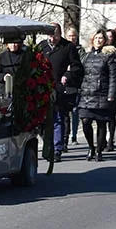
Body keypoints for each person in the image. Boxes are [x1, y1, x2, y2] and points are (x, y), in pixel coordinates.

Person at [40, 23, 83, 162]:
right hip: (41, 88)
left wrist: (68, 75)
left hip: (58, 88)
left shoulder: (68, 47)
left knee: (58, 118)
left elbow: (77, 67)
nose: (53, 38)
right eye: (50, 35)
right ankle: (47, 145)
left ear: (60, 33)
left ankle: (57, 149)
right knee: (42, 120)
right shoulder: (41, 47)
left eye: (56, 35)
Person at [78, 30, 116, 161]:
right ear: (92, 39)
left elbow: (113, 76)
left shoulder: (109, 56)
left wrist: (111, 94)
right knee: (85, 121)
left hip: (102, 93)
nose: (99, 40)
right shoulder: (87, 56)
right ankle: (91, 147)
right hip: (86, 94)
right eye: (96, 38)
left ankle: (99, 150)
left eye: (101, 38)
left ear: (105, 40)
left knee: (101, 124)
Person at [64, 27, 85, 146]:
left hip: (76, 83)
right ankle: (65, 137)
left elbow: (80, 66)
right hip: (66, 83)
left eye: (74, 36)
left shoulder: (80, 50)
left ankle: (74, 135)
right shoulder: (63, 48)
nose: (72, 38)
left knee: (75, 111)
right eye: (69, 36)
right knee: (65, 113)